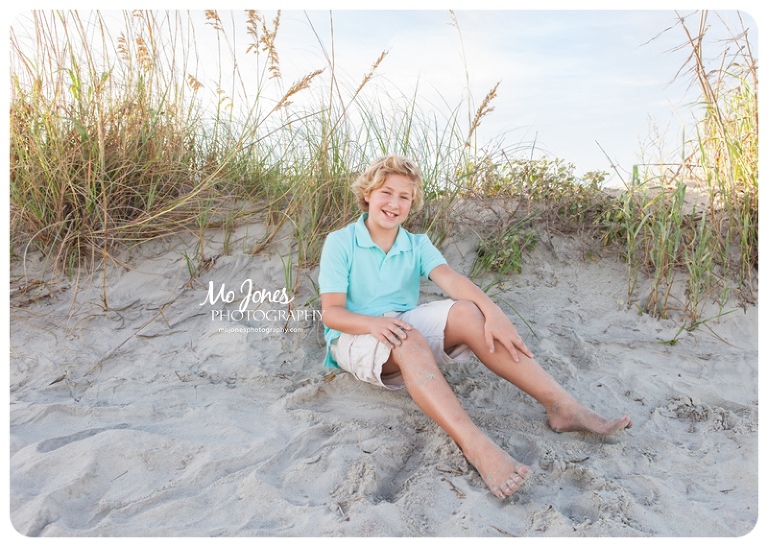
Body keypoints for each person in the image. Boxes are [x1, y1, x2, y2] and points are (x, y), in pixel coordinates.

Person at [318, 154, 632, 500]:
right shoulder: (342, 241)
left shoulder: (416, 244)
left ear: (412, 203)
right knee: (408, 337)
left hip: (402, 324)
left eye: (404, 197)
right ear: (367, 195)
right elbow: (332, 313)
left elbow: (452, 281)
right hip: (355, 334)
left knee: (469, 312)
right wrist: (373, 323)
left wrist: (495, 313)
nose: (394, 203)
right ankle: (475, 445)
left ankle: (561, 406)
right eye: (386, 193)